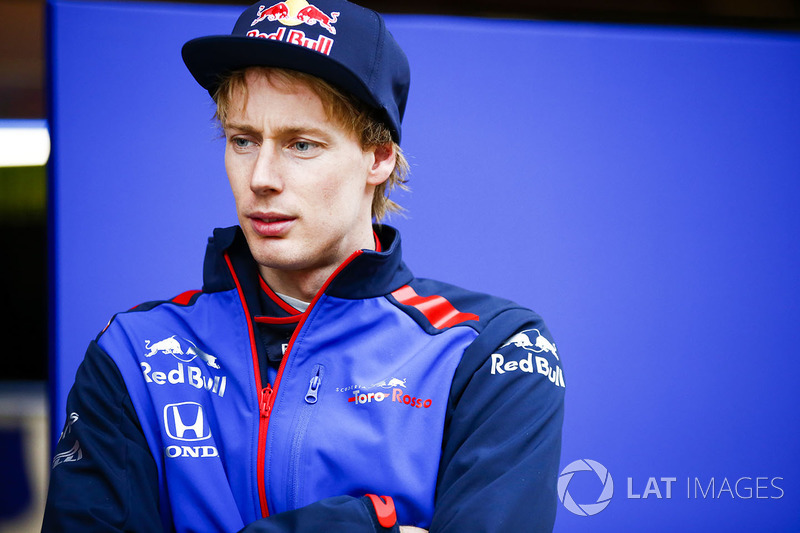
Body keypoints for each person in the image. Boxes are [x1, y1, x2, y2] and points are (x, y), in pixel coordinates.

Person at [42, 0, 565, 531]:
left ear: (379, 157)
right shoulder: (135, 350)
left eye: (301, 145)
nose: (261, 177)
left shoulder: (487, 349)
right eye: (242, 140)